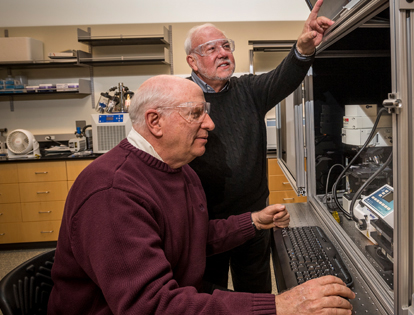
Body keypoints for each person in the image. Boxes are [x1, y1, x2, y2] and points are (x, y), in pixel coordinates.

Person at [48, 75, 354, 315]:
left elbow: (190, 236)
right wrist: (279, 306)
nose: (210, 123)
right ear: (155, 122)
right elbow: (151, 306)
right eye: (196, 114)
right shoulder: (113, 192)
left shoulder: (179, 169)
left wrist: (252, 222)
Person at [184, 0, 334, 293]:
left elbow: (284, 77)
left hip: (255, 221)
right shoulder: (182, 98)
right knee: (208, 297)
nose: (224, 53)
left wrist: (303, 48)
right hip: (204, 227)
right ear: (193, 61)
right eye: (212, 48)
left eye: (226, 46)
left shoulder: (249, 90)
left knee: (256, 295)